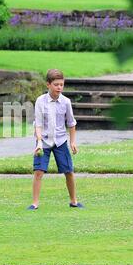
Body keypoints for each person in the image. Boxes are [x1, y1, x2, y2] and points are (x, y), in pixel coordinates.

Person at [27, 69, 83, 210]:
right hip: (43, 142)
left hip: (60, 141)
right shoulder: (40, 101)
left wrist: (72, 142)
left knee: (69, 171)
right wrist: (39, 143)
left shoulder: (66, 102)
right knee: (38, 172)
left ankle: (74, 201)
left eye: (61, 85)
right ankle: (34, 204)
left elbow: (71, 123)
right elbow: (38, 125)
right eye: (56, 84)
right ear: (48, 85)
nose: (59, 87)